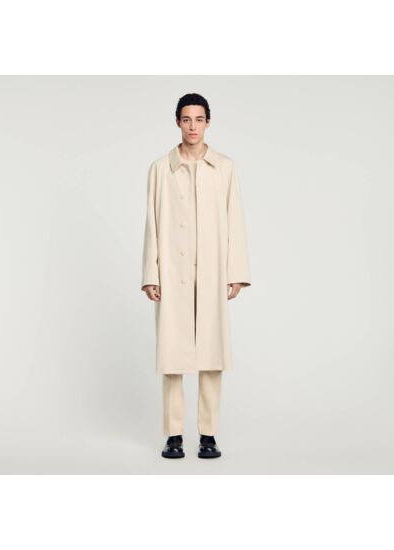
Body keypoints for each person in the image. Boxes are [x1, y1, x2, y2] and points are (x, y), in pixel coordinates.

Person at [141, 93, 251, 459]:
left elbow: (235, 219)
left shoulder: (224, 167)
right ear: (177, 122)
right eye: (186, 119)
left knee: (211, 353)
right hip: (172, 271)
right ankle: (173, 435)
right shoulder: (161, 168)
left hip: (212, 270)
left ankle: (208, 434)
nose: (193, 126)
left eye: (199, 119)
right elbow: (152, 223)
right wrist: (151, 273)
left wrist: (235, 272)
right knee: (172, 355)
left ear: (208, 122)